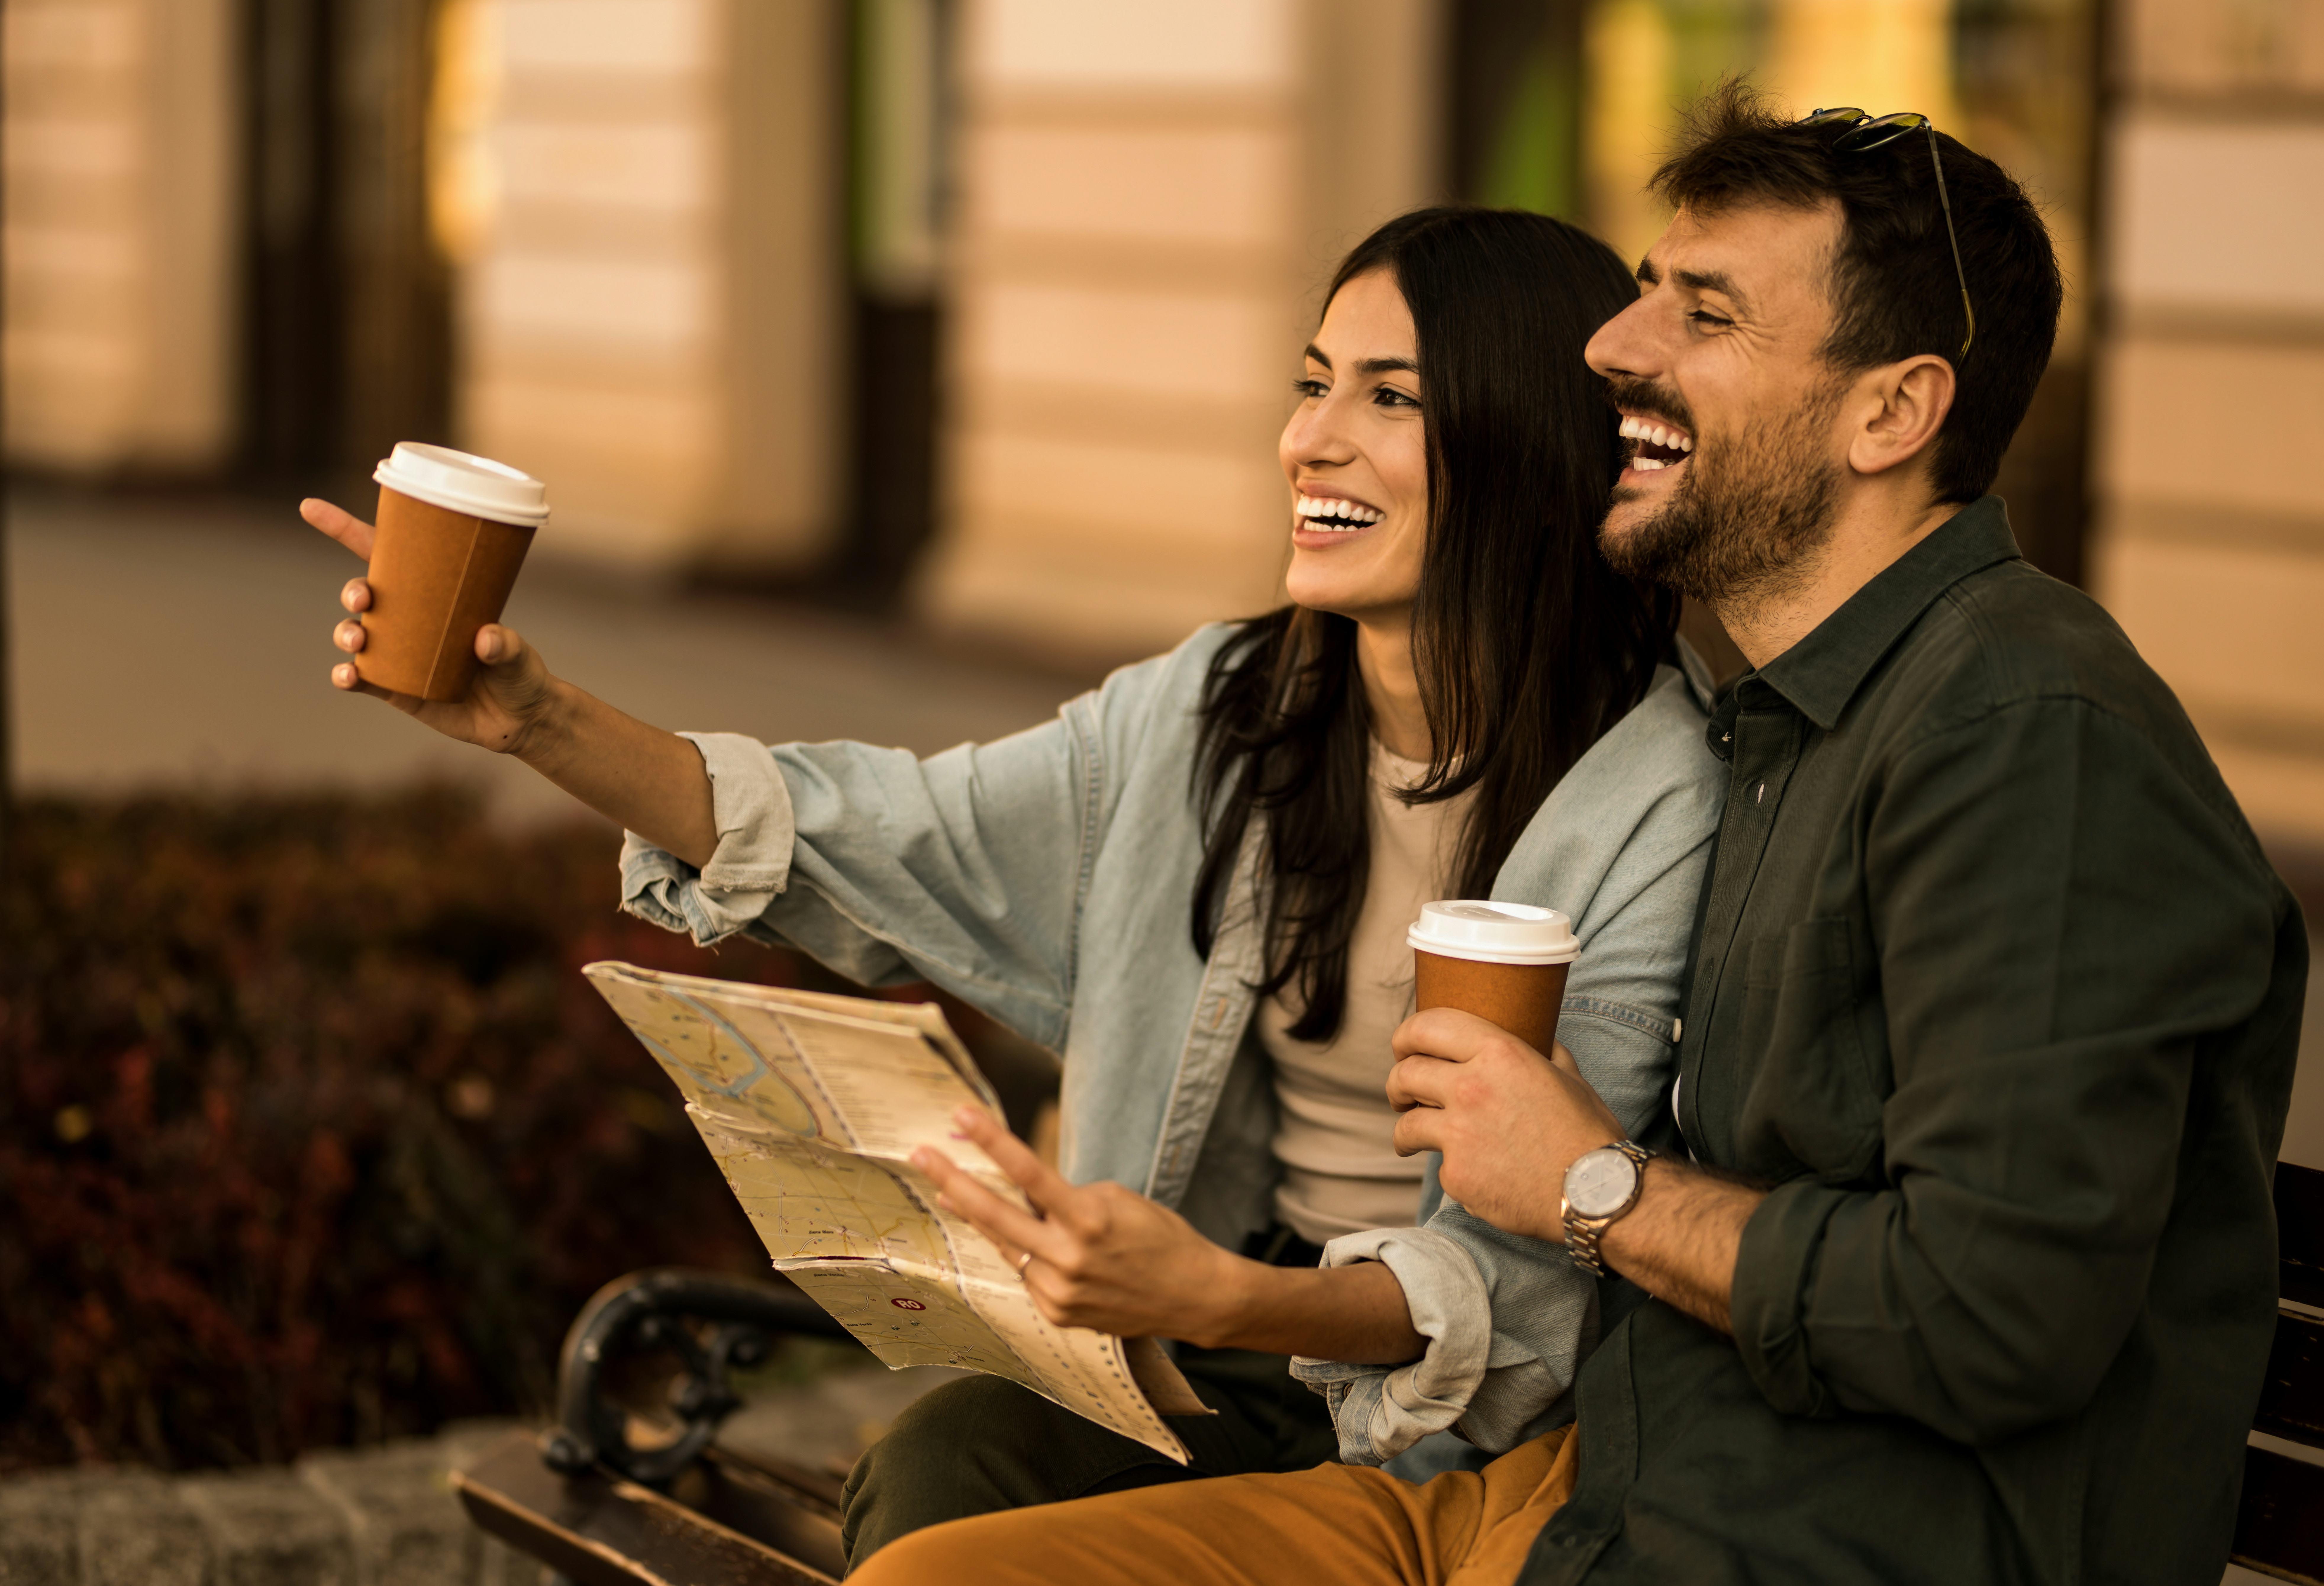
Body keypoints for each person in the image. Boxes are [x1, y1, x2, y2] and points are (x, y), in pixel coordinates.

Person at [847, 83, 2306, 1586]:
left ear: (1891, 411)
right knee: (942, 1560)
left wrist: (1592, 1188)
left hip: (1803, 1551)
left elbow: (1993, 1313)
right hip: (1581, 1493)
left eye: (1706, 313)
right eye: (1646, 296)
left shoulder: (2023, 737)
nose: (1614, 346)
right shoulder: (1786, 719)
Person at [304, 207, 1730, 1564]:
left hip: (1480, 1427)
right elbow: (872, 832)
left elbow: (1536, 1288)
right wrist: (538, 720)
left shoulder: (1649, 792)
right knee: (948, 1463)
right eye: (1311, 385)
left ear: (1531, 442)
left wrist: (1216, 1295)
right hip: (1223, 1352)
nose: (1309, 440)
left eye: (1390, 400)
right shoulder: (1216, 714)